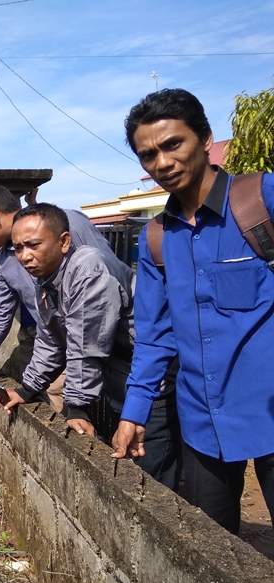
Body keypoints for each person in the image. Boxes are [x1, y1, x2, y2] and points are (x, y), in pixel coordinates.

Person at [112, 88, 274, 533]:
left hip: (270, 409)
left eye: (172, 144)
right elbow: (155, 334)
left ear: (205, 139)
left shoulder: (260, 199)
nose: (162, 162)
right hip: (203, 422)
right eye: (148, 155)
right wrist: (134, 412)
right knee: (212, 546)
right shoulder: (156, 238)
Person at [0, 203, 181, 490]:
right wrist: (27, 388)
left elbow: (86, 345)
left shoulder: (88, 269)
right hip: (118, 380)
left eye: (33, 245)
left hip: (149, 382)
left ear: (64, 242)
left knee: (150, 478)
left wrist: (77, 405)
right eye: (18, 248)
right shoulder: (45, 279)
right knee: (122, 466)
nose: (24, 256)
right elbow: (50, 341)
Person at [0, 183, 118, 414]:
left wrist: (77, 404)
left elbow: (104, 279)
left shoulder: (70, 223)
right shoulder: (2, 265)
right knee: (41, 398)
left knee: (73, 401)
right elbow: (3, 317)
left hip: (102, 339)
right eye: (20, 248)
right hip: (50, 342)